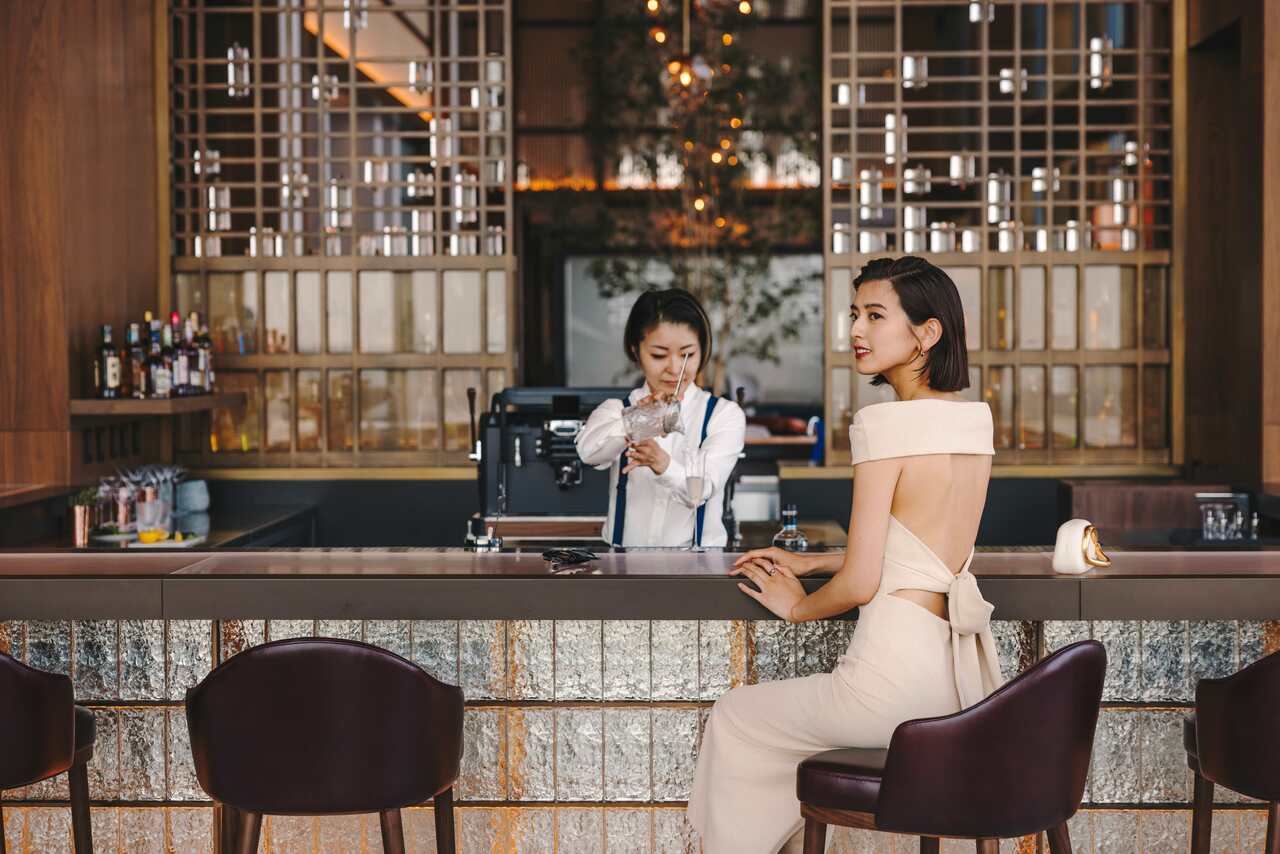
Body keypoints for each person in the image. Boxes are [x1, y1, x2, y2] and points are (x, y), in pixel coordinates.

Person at [687, 256, 1003, 853]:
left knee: (735, 715)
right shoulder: (973, 422)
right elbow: (921, 549)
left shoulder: (883, 425)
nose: (856, 329)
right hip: (952, 688)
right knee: (772, 745)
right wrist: (815, 562)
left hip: (887, 685)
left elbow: (861, 584)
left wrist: (796, 606)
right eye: (855, 314)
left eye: (875, 316)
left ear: (927, 332)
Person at [576, 289, 746, 548]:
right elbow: (589, 453)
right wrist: (638, 420)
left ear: (702, 351)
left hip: (700, 567)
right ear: (635, 350)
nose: (674, 368)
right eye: (658, 355)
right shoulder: (617, 409)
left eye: (687, 354)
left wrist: (662, 463)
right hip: (624, 567)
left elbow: (703, 489)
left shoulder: (723, 415)